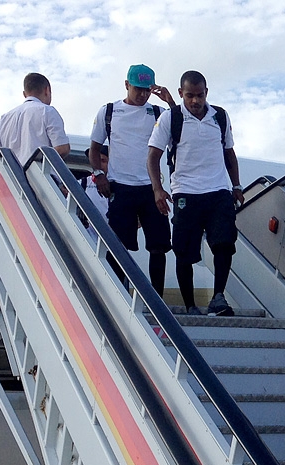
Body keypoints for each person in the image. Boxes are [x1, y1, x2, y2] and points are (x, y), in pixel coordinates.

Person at [147, 70, 244, 316]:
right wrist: (158, 189)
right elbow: (153, 156)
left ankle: (218, 297)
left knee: (224, 243)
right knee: (184, 251)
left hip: (218, 190)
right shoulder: (171, 118)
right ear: (180, 93)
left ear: (206, 92)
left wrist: (236, 185)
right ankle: (190, 305)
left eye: (200, 95)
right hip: (186, 192)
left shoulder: (219, 116)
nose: (195, 101)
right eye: (190, 95)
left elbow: (229, 153)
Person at [90, 64, 176, 298]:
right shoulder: (109, 111)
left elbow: (181, 132)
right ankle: (118, 296)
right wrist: (99, 174)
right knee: (118, 245)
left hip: (151, 188)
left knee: (159, 245)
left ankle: (157, 299)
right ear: (126, 85)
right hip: (120, 186)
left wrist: (170, 103)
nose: (143, 94)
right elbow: (95, 148)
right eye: (138, 89)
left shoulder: (159, 113)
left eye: (147, 90)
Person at [0, 72, 70, 162]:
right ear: (47, 90)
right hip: (41, 173)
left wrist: (5, 169)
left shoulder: (5, 118)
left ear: (24, 94)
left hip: (14, 173)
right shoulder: (48, 111)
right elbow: (62, 148)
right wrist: (39, 164)